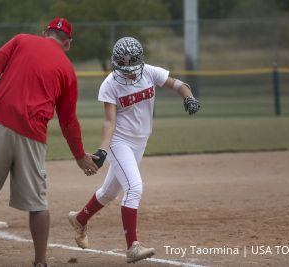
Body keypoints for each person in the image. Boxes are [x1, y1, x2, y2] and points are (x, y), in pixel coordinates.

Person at [0, 18, 99, 267]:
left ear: (45, 33)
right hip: (32, 132)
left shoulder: (21, 40)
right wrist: (79, 155)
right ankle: (40, 262)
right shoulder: (67, 69)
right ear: (68, 43)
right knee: (38, 204)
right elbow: (68, 121)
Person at [67, 37, 200, 263]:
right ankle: (133, 247)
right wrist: (102, 150)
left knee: (109, 192)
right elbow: (109, 121)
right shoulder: (110, 84)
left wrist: (188, 98)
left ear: (140, 62)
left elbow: (177, 84)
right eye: (123, 68)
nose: (128, 73)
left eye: (132, 68)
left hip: (140, 141)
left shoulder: (149, 72)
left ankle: (79, 219)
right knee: (134, 188)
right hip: (120, 141)